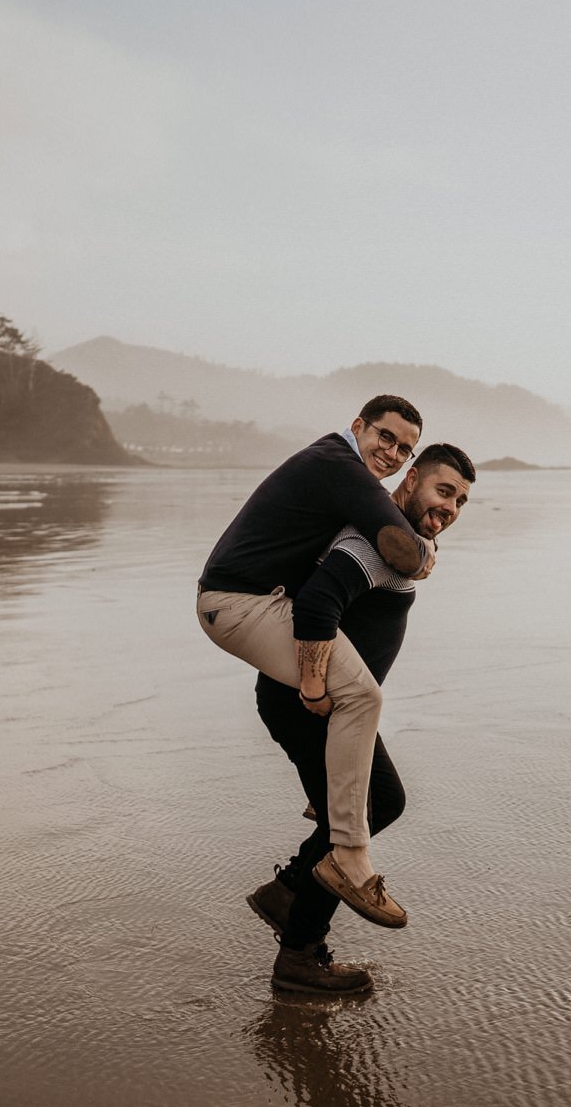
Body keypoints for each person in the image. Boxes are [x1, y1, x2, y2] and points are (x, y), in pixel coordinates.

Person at [196, 397, 436, 934]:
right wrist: (424, 556)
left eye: (404, 447)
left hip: (247, 600)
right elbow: (400, 548)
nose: (392, 452)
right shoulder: (339, 466)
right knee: (362, 697)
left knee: (372, 786)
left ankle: (291, 893)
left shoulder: (337, 469)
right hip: (240, 602)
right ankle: (348, 856)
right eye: (386, 437)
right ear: (358, 427)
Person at [244, 443, 476, 994]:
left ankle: (290, 900)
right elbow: (318, 603)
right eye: (444, 491)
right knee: (369, 808)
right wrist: (315, 689)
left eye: (462, 501)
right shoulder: (377, 540)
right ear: (411, 477)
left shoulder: (400, 543)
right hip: (310, 704)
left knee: (352, 813)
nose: (451, 507)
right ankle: (299, 955)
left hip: (323, 704)